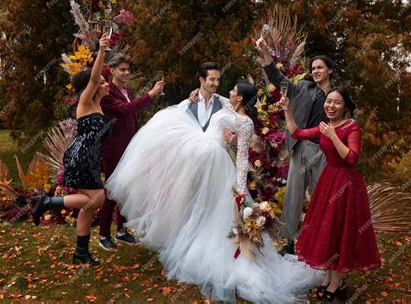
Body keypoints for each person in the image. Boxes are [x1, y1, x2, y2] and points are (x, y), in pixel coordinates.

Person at [105, 81, 321, 302]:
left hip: (216, 164)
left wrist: (239, 190)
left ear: (240, 98)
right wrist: (196, 92)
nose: (229, 91)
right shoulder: (227, 105)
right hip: (199, 152)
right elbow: (212, 95)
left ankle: (223, 258)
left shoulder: (245, 122)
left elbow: (242, 157)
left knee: (217, 210)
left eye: (234, 91)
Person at [280, 88, 381, 301]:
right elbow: (297, 133)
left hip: (345, 182)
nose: (331, 106)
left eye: (337, 102)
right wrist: (287, 111)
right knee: (325, 227)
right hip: (329, 180)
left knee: (337, 228)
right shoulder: (326, 126)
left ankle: (338, 281)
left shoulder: (351, 127)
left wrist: (333, 136)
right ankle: (328, 275)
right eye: (328, 101)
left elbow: (351, 158)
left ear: (345, 107)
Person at [32, 35, 112, 266]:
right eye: (103, 83)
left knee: (89, 205)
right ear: (93, 86)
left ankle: (81, 253)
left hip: (89, 158)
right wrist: (102, 50)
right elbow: (95, 78)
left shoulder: (98, 106)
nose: (106, 85)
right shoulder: (86, 102)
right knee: (97, 198)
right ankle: (46, 202)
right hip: (81, 157)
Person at [256, 38, 332, 255]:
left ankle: (319, 239)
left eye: (320, 67)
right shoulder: (302, 88)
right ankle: (289, 241)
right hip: (302, 147)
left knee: (321, 196)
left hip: (325, 151)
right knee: (293, 196)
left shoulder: (336, 96)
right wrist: (265, 53)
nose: (315, 71)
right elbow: (276, 77)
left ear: (330, 70)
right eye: (313, 68)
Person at [98, 53, 164, 251]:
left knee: (126, 190)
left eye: (128, 69)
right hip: (114, 149)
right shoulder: (107, 92)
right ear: (112, 70)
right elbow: (126, 110)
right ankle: (103, 235)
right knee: (111, 192)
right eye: (122, 69)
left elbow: (131, 115)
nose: (127, 73)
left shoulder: (125, 90)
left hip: (129, 147)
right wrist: (151, 94)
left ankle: (121, 231)